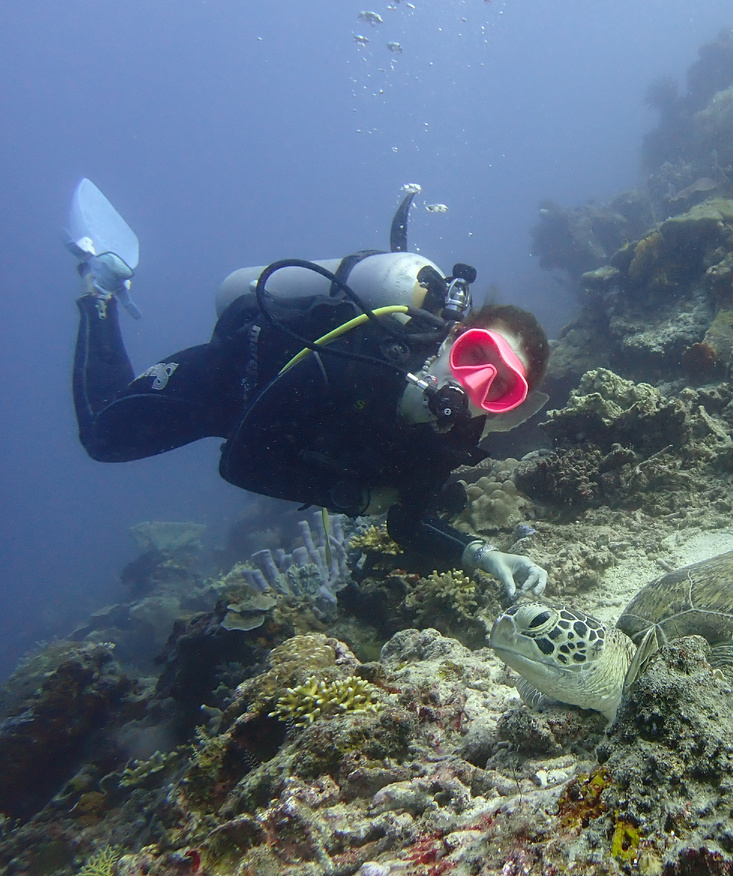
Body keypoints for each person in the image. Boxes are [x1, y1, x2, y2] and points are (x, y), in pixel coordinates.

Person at [67, 180, 550, 598]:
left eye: (499, 387)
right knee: (102, 440)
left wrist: (482, 555)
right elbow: (239, 462)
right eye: (474, 356)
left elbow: (407, 523)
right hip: (227, 383)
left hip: (271, 430)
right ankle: (100, 291)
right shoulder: (352, 364)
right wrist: (359, 500)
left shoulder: (447, 441)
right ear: (451, 337)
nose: (472, 383)